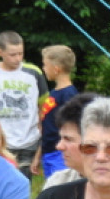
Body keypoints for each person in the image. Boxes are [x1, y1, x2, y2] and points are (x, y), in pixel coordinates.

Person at [0, 31, 48, 178]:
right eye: (12, 55)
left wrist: (42, 122)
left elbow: (44, 102)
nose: (17, 59)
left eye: (20, 54)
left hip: (29, 139)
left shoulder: (33, 72)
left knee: (22, 183)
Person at [32, 45, 78, 178]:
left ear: (56, 69)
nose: (43, 68)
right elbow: (47, 128)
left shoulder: (69, 95)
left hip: (61, 155)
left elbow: (72, 129)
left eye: (45, 65)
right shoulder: (52, 94)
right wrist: (38, 156)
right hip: (48, 153)